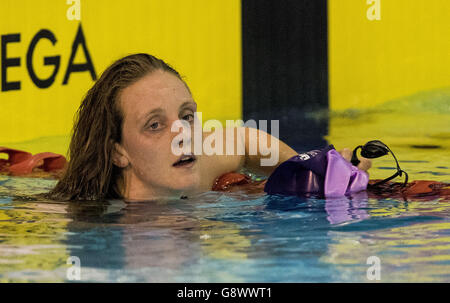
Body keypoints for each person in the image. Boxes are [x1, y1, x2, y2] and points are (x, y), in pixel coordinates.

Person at [47, 53, 371, 202]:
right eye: (155, 125)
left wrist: (307, 172)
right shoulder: (84, 223)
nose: (183, 134)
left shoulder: (196, 167)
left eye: (186, 116)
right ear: (118, 151)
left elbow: (243, 140)